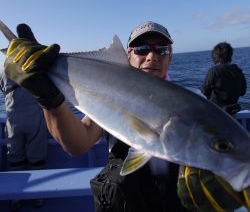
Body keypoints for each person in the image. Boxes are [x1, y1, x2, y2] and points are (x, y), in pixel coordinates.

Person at [3, 21, 249, 212]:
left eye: (161, 49)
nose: (151, 56)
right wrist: (49, 100)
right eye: (141, 49)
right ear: (127, 56)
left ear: (171, 57)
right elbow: (76, 145)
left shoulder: (196, 100)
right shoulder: (110, 89)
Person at [0, 24, 48, 211]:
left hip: (13, 121)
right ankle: (37, 197)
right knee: (36, 158)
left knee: (15, 157)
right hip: (34, 119)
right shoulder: (34, 63)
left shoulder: (6, 69)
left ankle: (16, 198)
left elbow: (3, 88)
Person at [201, 42, 247, 115]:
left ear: (215, 55)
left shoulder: (214, 70)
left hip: (216, 113)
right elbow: (242, 92)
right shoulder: (238, 71)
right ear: (230, 55)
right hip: (232, 113)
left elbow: (203, 91)